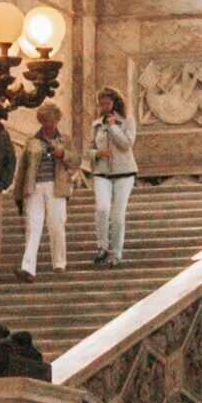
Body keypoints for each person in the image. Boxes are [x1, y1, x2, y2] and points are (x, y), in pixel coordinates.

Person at [13, 101, 72, 278]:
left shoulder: (65, 139)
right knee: (33, 225)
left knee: (56, 224)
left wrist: (62, 154)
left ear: (57, 120)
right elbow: (22, 167)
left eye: (52, 120)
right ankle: (28, 267)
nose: (49, 124)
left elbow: (75, 160)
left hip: (57, 186)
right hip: (34, 187)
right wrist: (18, 193)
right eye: (45, 120)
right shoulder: (32, 141)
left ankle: (59, 262)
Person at [90, 88, 137, 268]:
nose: (104, 107)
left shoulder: (128, 121)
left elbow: (127, 144)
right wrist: (97, 153)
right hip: (102, 172)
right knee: (102, 208)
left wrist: (113, 127)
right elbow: (89, 148)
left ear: (115, 103)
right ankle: (102, 246)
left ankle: (116, 254)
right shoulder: (95, 124)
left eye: (107, 104)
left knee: (118, 214)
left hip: (124, 173)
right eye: (101, 104)